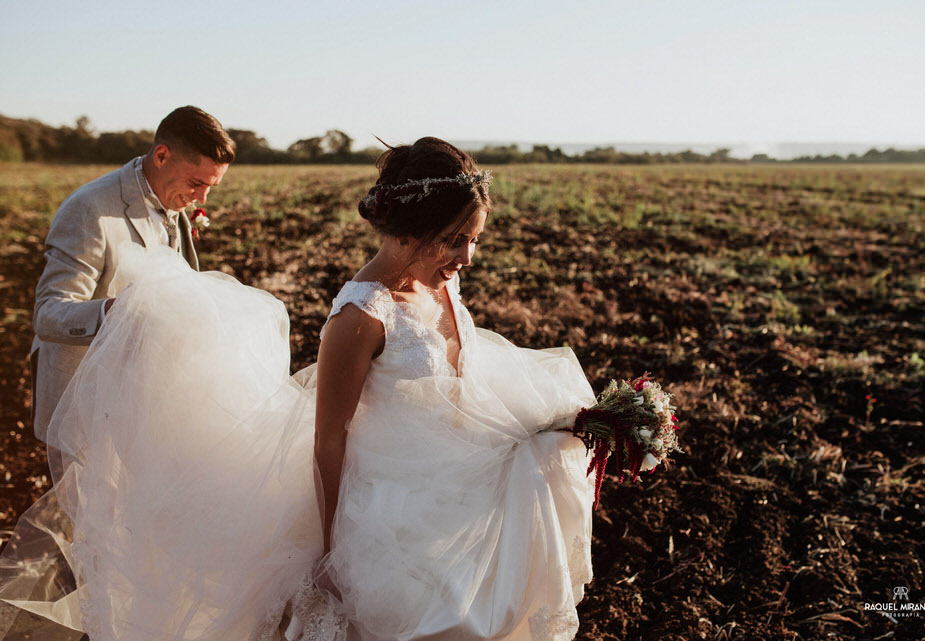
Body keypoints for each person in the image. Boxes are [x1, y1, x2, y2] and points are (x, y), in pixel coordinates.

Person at [1, 138, 595, 641]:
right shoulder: (359, 317)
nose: (467, 256)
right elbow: (328, 439)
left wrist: (555, 421)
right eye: (454, 239)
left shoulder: (439, 284)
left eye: (474, 238)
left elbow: (467, 374)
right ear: (413, 228)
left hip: (447, 478)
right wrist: (334, 550)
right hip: (383, 508)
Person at [30, 105, 235, 447]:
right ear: (162, 155)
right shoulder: (90, 210)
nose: (202, 198)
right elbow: (47, 315)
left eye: (211, 186)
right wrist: (116, 311)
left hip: (145, 399)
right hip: (85, 403)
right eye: (197, 183)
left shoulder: (175, 202)